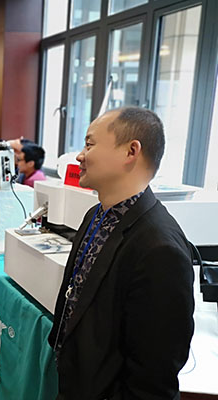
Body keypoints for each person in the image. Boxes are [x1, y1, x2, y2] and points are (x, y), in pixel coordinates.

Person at [48, 107, 194, 399]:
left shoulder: (160, 249)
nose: (80, 156)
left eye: (89, 144)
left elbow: (153, 377)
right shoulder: (96, 215)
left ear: (131, 151)